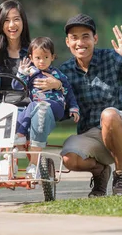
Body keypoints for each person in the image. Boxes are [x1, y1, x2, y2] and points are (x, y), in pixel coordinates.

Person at [57, 13, 122, 197]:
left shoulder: (111, 58)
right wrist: (50, 92)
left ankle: (120, 175)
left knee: (109, 114)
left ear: (95, 38)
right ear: (67, 42)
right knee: (69, 159)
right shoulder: (64, 72)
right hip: (92, 137)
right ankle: (101, 172)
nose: (80, 42)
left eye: (85, 36)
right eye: (74, 38)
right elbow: (63, 113)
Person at [0, 0, 58, 168]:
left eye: (16, 19)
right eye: (6, 20)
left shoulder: (33, 52)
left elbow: (49, 75)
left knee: (41, 107)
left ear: (23, 22)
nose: (12, 25)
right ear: (0, 24)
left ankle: (34, 165)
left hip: (23, 107)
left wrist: (56, 83)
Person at [12, 37, 80, 176]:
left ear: (52, 57)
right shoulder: (30, 73)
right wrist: (21, 73)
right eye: (38, 58)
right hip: (36, 106)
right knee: (29, 108)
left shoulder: (57, 74)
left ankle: (20, 135)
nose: (42, 61)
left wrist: (73, 108)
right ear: (31, 57)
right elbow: (17, 86)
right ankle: (20, 136)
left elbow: (69, 92)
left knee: (35, 106)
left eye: (46, 57)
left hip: (55, 107)